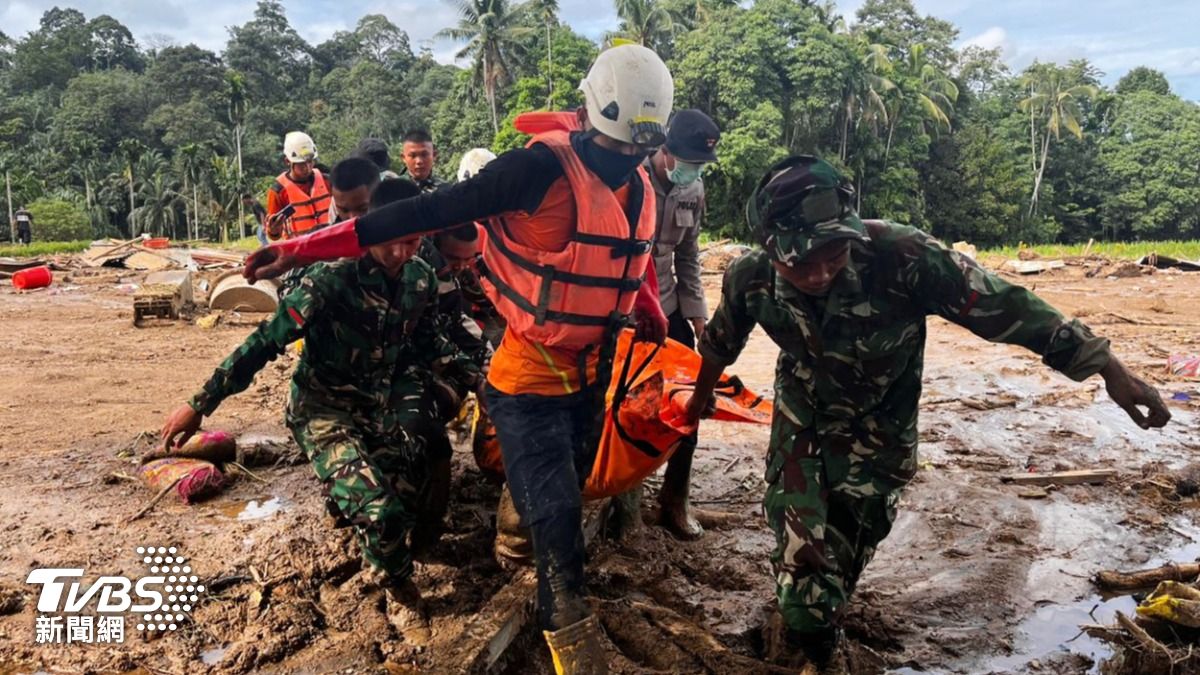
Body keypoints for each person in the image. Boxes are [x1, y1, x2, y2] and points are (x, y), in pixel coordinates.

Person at [242, 43, 675, 675]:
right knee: (558, 527)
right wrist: (304, 249)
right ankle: (577, 651)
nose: (625, 161)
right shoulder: (531, 173)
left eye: (637, 151)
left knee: (567, 494)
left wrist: (654, 318)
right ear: (587, 120)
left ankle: (522, 537)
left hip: (589, 373)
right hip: (526, 376)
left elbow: (623, 263)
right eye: (616, 148)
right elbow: (423, 211)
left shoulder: (638, 183)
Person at [680, 155, 1172, 670]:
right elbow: (720, 343)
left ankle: (817, 620)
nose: (821, 270)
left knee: (839, 571)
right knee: (806, 592)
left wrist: (1107, 365)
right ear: (770, 247)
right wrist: (696, 402)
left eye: (834, 251)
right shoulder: (749, 277)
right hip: (802, 424)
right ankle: (813, 644)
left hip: (879, 436)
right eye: (801, 261)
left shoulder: (904, 257)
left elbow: (1008, 307)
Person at [160, 176, 481, 647]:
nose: (400, 253)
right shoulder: (331, 280)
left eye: (411, 242)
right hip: (323, 409)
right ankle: (398, 591)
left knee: (407, 486)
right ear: (368, 232)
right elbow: (263, 343)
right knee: (381, 512)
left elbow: (430, 339)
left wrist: (481, 382)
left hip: (376, 405)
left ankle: (357, 521)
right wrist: (198, 404)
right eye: (390, 243)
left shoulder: (419, 279)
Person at [636, 108, 721, 540]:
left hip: (668, 307)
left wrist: (700, 319)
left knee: (691, 400)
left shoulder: (694, 190)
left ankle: (674, 497)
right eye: (689, 162)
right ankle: (620, 496)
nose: (693, 172)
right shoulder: (630, 182)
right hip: (629, 309)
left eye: (700, 166)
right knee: (626, 402)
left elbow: (688, 257)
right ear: (665, 152)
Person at [265, 131, 332, 241]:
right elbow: (273, 234)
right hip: (301, 251)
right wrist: (274, 231)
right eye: (301, 164)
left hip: (331, 244)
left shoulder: (327, 181)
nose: (307, 167)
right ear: (288, 161)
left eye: (310, 162)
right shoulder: (278, 191)